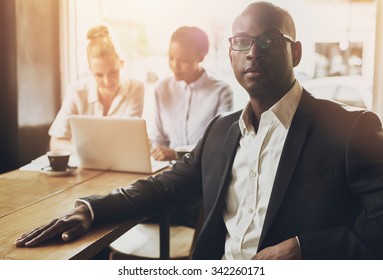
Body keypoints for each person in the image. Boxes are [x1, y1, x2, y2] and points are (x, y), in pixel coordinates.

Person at [15, 2, 383, 260]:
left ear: (296, 53)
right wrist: (90, 209)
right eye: (241, 42)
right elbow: (163, 185)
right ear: (231, 55)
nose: (253, 52)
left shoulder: (349, 129)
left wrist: (304, 249)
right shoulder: (221, 132)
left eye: (269, 40)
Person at [49, 25, 144, 152]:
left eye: (113, 73)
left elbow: (128, 139)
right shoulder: (77, 91)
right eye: (99, 75)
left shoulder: (135, 89)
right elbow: (56, 143)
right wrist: (87, 151)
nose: (107, 82)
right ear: (90, 71)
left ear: (121, 64)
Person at [150, 26, 233, 161]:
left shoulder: (221, 92)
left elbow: (219, 143)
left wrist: (177, 153)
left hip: (204, 171)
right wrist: (160, 153)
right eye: (171, 57)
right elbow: (158, 139)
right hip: (168, 171)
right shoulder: (161, 89)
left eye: (184, 60)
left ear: (201, 56)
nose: (174, 65)